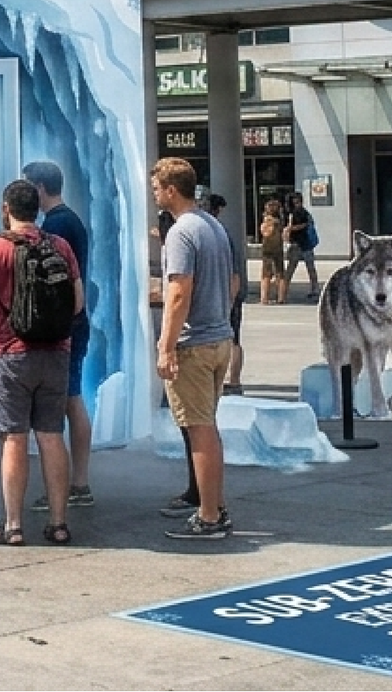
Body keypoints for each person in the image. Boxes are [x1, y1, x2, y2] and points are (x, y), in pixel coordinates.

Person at [0, 178, 81, 547]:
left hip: (8, 354)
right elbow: (77, 303)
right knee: (51, 436)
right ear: (37, 208)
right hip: (56, 352)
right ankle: (59, 523)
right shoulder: (60, 245)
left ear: (6, 209)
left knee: (13, 439)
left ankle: (14, 526)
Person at [153, 158, 239, 540]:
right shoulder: (212, 226)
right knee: (207, 427)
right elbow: (231, 282)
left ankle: (208, 517)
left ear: (172, 190)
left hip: (195, 344)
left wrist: (166, 345)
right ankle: (212, 505)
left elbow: (178, 292)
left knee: (199, 429)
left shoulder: (181, 232)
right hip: (219, 338)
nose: (154, 193)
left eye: (157, 187)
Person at [23, 160, 97, 511]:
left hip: (64, 326)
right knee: (72, 399)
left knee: (68, 401)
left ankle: (74, 484)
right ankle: (78, 482)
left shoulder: (57, 225)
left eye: (28, 187)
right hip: (75, 321)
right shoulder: (70, 220)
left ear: (40, 187)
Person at [208, 193, 249, 395]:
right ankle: (233, 380)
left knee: (230, 339)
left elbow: (234, 273)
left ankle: (232, 380)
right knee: (233, 338)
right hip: (229, 293)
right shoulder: (222, 232)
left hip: (226, 294)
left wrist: (230, 300)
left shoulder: (217, 234)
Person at [286, 194, 321, 302]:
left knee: (306, 267)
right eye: (295, 202)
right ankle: (285, 288)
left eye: (298, 202)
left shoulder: (302, 214)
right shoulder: (301, 213)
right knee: (293, 268)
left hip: (302, 243)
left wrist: (292, 228)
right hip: (299, 243)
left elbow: (291, 228)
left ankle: (314, 288)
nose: (297, 204)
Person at [258, 199, 288, 306]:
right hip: (278, 248)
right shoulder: (280, 221)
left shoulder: (269, 220)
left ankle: (264, 298)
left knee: (266, 274)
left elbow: (266, 233)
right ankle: (281, 297)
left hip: (268, 249)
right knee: (280, 273)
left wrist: (263, 226)